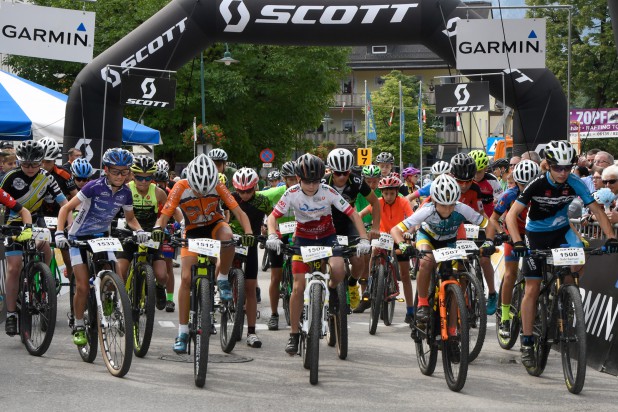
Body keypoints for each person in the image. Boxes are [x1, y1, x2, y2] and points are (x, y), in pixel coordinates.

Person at [505, 140, 618, 368]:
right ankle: (527, 341)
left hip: (562, 231)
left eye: (568, 167)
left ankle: (567, 296)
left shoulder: (576, 182)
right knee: (532, 288)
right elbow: (511, 216)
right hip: (535, 233)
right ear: (548, 165)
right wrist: (517, 243)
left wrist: (611, 238)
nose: (563, 172)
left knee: (580, 257)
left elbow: (596, 210)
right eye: (558, 167)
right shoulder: (536, 184)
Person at [265, 154, 370, 355]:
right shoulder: (291, 194)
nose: (311, 186)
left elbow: (352, 213)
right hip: (302, 239)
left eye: (315, 181)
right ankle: (294, 335)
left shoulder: (328, 191)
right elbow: (272, 217)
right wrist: (272, 235)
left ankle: (331, 290)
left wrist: (364, 238)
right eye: (307, 181)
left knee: (339, 269)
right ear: (298, 179)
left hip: (327, 237)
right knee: (297, 287)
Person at [152, 154, 254, 354]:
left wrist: (249, 233)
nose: (200, 193)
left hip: (214, 225)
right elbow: (164, 215)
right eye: (197, 189)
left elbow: (239, 213)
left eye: (205, 190)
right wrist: (157, 228)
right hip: (191, 230)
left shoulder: (218, 185)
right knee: (187, 278)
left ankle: (223, 278)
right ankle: (182, 332)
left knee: (228, 236)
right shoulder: (180, 186)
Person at [55, 148, 147, 345]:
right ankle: (79, 323)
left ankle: (107, 301)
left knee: (117, 277)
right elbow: (65, 208)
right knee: (81, 285)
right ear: (106, 169)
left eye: (124, 172)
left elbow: (130, 219)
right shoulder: (93, 187)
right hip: (78, 236)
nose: (120, 176)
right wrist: (59, 232)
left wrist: (139, 231)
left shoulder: (126, 192)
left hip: (102, 236)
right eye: (115, 171)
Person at [390, 174, 488, 333]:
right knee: (427, 261)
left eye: (451, 205)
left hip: (449, 241)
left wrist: (489, 240)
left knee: (458, 278)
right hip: (428, 238)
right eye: (443, 205)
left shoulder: (461, 209)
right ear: (434, 201)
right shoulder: (426, 211)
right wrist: (402, 244)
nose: (448, 209)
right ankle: (422, 304)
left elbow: (487, 224)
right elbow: (395, 229)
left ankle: (452, 331)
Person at [483, 160, 540, 338]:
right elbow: (493, 219)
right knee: (510, 274)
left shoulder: (541, 195)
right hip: (513, 235)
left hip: (534, 235)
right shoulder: (509, 195)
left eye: (530, 183)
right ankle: (505, 317)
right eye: (522, 184)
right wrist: (501, 233)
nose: (526, 187)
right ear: (516, 182)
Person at [324, 148, 381, 311]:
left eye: (345, 173)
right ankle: (322, 290)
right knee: (325, 261)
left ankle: (351, 283)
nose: (341, 177)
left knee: (358, 260)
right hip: (328, 222)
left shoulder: (356, 181)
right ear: (331, 171)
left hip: (349, 221)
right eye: (337, 173)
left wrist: (375, 227)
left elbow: (375, 202)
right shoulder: (322, 182)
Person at [116, 156, 174, 311]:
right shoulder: (125, 189)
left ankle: (158, 287)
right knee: (120, 271)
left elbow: (168, 212)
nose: (143, 181)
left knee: (162, 275)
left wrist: (161, 226)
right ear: (133, 175)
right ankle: (118, 302)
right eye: (139, 177)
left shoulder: (159, 192)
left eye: (148, 178)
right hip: (129, 233)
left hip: (151, 235)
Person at [359, 176, 415, 323]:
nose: (389, 196)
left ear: (397, 192)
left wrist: (410, 231)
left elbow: (413, 219)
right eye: (386, 193)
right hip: (383, 236)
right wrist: (357, 226)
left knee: (404, 274)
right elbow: (360, 214)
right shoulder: (377, 202)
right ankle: (371, 281)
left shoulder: (403, 201)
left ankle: (410, 310)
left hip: (399, 237)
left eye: (392, 193)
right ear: (381, 193)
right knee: (374, 251)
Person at [229, 167, 272, 347]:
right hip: (233, 243)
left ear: (255, 187)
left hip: (252, 243)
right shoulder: (230, 198)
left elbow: (273, 216)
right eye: (240, 191)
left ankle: (252, 332)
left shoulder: (262, 200)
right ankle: (225, 299)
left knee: (250, 288)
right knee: (226, 272)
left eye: (248, 191)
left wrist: (268, 229)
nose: (244, 194)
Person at [260, 160, 298, 330]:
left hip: (297, 236)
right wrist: (263, 223)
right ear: (284, 179)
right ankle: (274, 314)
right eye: (290, 179)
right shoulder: (278, 192)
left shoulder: (304, 191)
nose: (293, 182)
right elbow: (257, 197)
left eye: (296, 179)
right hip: (278, 236)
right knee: (275, 276)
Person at [469, 150, 503, 315]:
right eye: (474, 171)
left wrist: (498, 226)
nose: (476, 175)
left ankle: (491, 292)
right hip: (468, 221)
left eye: (480, 171)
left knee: (484, 260)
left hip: (487, 222)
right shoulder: (466, 181)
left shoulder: (492, 181)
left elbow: (502, 205)